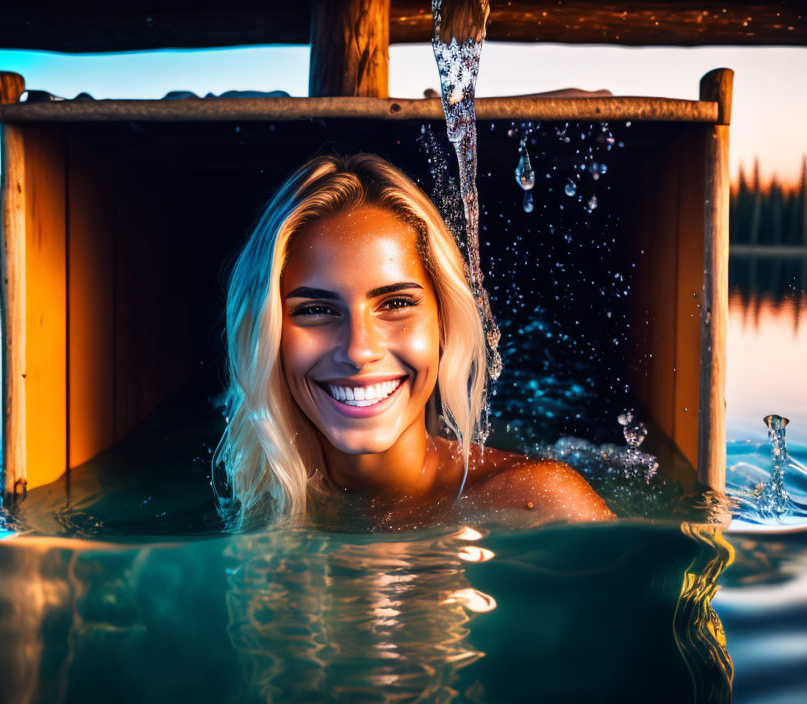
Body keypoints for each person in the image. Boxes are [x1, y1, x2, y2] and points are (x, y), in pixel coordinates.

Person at [214, 153, 614, 530]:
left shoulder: (542, 504)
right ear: (268, 334)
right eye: (315, 310)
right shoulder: (251, 505)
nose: (359, 350)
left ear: (444, 323)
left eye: (396, 303)